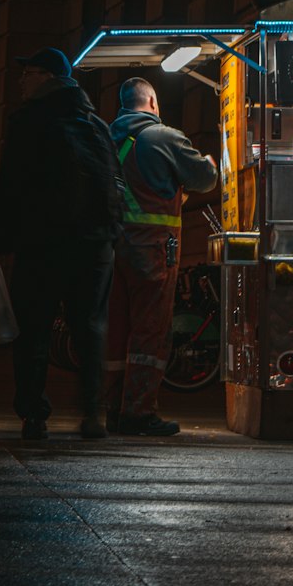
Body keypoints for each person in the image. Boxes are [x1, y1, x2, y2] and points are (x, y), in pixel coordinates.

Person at [0, 46, 121, 442]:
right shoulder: (96, 124)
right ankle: (94, 410)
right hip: (95, 244)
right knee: (90, 327)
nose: (21, 81)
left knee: (34, 327)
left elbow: (11, 184)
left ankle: (33, 414)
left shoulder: (29, 120)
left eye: (27, 73)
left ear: (45, 77)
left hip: (42, 239)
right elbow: (114, 183)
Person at [107, 76, 218, 435]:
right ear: (153, 103)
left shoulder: (106, 139)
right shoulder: (163, 137)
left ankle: (110, 407)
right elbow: (203, 179)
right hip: (154, 248)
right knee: (151, 329)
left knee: (116, 328)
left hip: (111, 249)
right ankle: (139, 412)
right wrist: (211, 163)